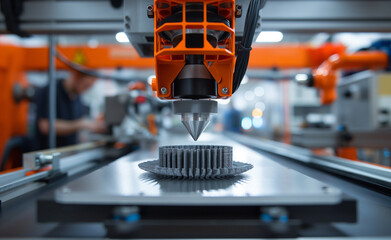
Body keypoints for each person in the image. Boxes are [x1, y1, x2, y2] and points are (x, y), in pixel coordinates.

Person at [34, 70, 105, 150]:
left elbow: (76, 133)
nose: (86, 90)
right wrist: (80, 124)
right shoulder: (50, 91)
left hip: (68, 155)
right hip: (47, 153)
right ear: (76, 76)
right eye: (86, 85)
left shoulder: (78, 98)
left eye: (89, 87)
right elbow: (45, 126)